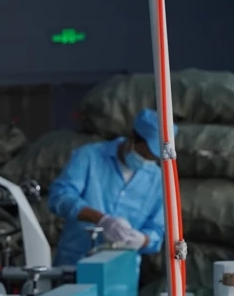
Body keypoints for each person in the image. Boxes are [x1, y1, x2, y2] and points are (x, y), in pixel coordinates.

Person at [48, 108, 175, 267]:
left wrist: (143, 240)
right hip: (75, 262)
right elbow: (59, 196)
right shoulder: (89, 156)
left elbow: (158, 229)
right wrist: (101, 220)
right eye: (143, 155)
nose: (145, 162)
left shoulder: (158, 179)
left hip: (121, 269)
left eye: (152, 159)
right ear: (132, 137)